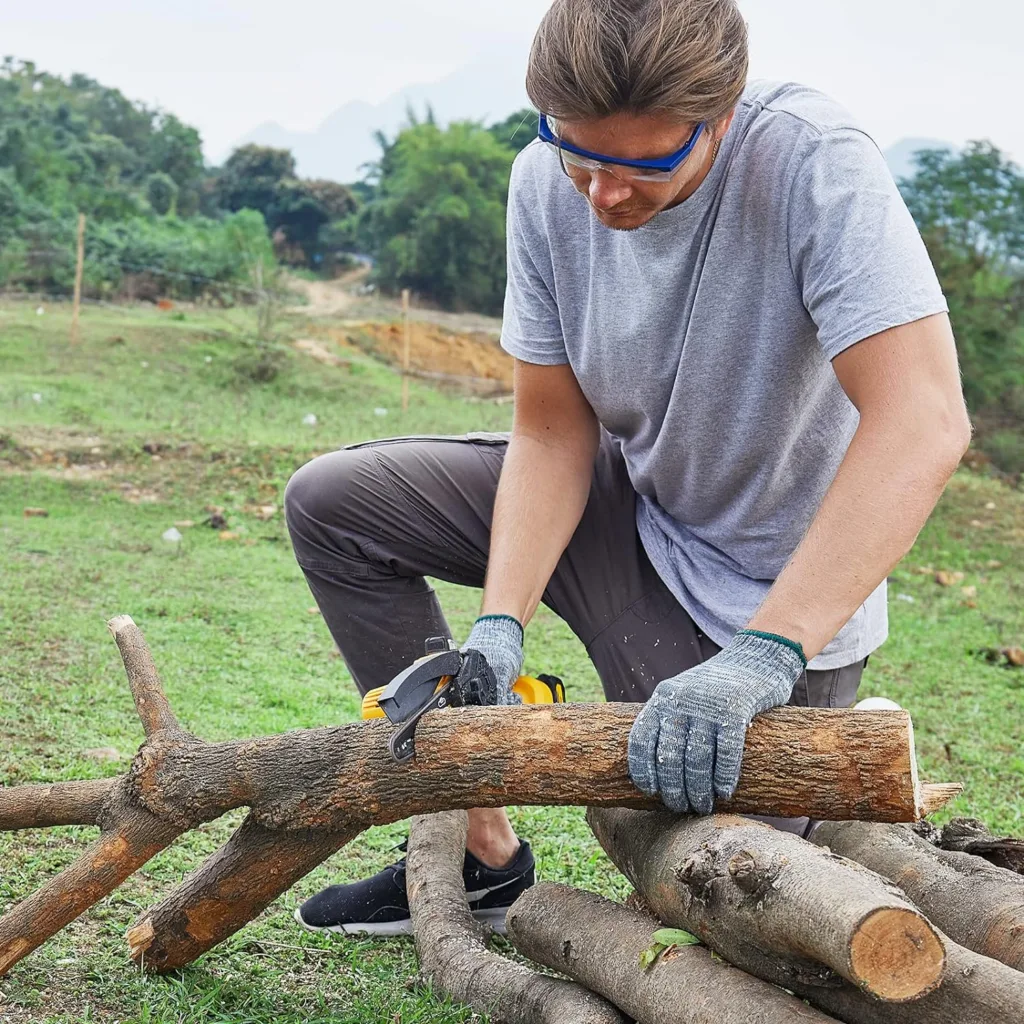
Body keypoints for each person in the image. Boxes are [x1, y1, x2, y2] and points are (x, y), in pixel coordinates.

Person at [284, 0, 971, 937]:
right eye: (579, 154)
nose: (602, 195)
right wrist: (498, 627)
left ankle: (827, 751)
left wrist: (763, 657)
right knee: (334, 504)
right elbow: (554, 433)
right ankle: (478, 855)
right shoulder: (544, 180)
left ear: (720, 118)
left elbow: (923, 423)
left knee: (722, 880)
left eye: (641, 165)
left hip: (766, 598)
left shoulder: (813, 162)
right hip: (631, 510)